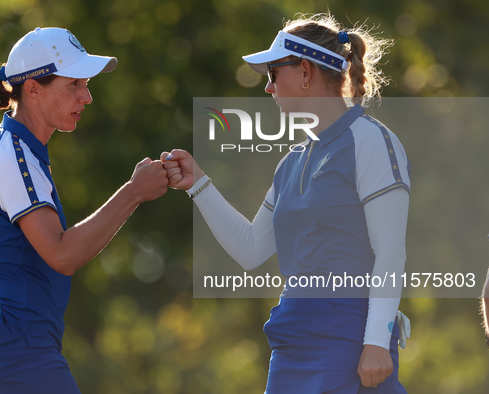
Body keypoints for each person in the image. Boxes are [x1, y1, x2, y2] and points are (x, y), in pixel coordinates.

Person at [162, 13, 409, 393]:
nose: (268, 87)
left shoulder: (371, 141)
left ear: (306, 71)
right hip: (292, 344)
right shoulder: (291, 161)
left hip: (349, 342)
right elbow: (252, 249)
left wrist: (377, 341)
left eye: (273, 74)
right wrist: (200, 185)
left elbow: (390, 252)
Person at [0, 27, 168, 393]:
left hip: (2, 348)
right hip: (17, 351)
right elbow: (62, 255)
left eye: (86, 84)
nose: (87, 97)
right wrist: (134, 192)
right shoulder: (14, 152)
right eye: (73, 84)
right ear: (33, 88)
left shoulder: (2, 143)